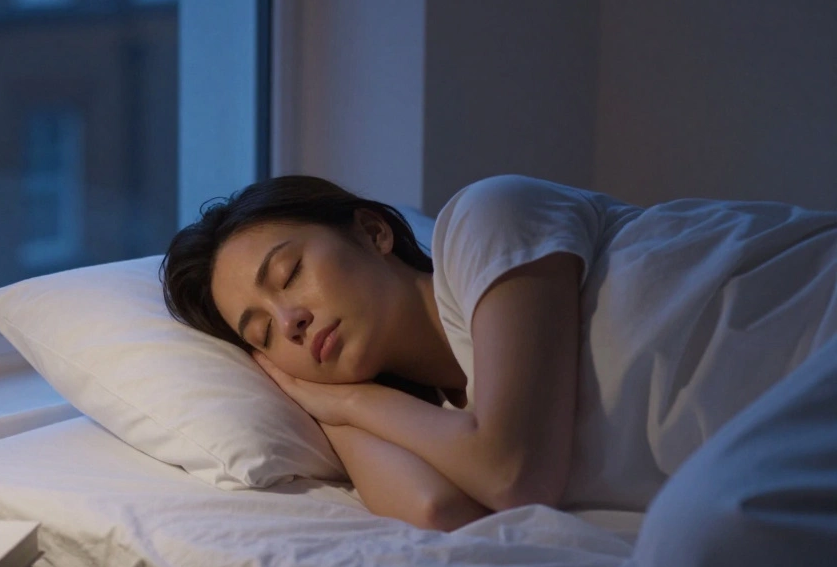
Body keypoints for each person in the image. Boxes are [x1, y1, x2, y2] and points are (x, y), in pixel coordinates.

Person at [161, 174, 837, 532]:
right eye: (264, 335)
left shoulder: (484, 222)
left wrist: (343, 395)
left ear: (373, 232)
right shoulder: (453, 424)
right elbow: (439, 513)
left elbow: (516, 474)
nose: (293, 321)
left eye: (288, 275)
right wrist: (333, 410)